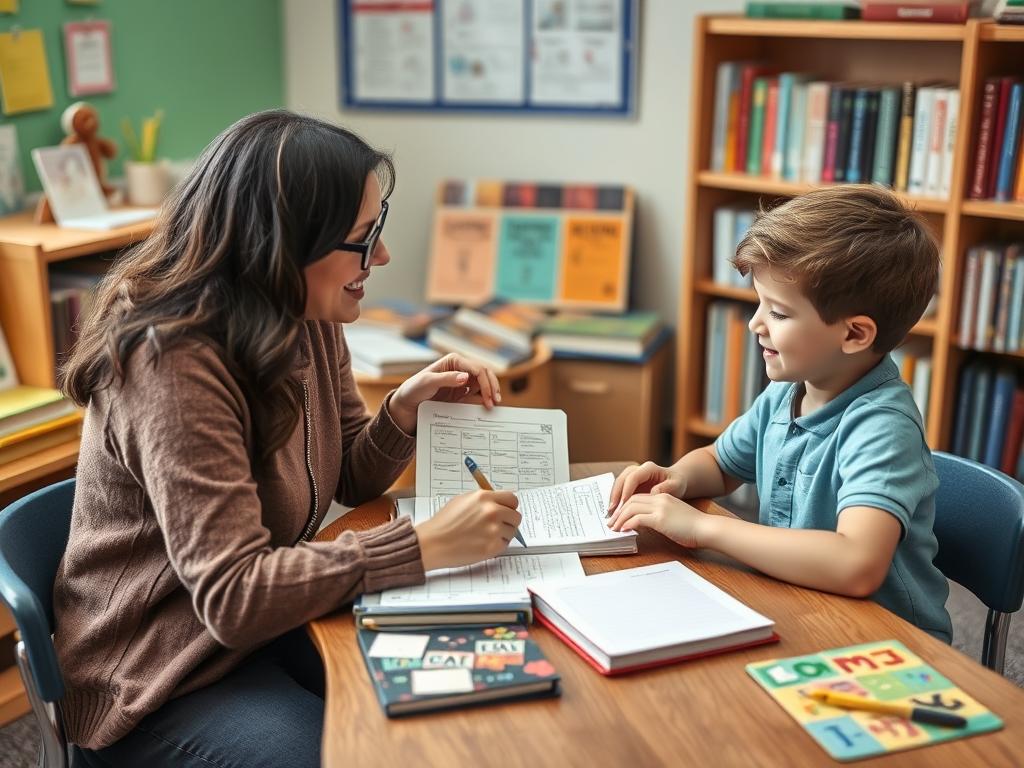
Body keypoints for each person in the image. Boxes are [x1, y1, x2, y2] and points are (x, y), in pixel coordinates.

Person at [55, 110, 522, 766]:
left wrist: (404, 410)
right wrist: (421, 544)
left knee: (464, 693)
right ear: (284, 244)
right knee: (353, 754)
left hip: (266, 626)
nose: (381, 256)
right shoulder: (170, 361)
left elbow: (348, 477)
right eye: (363, 239)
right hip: (161, 675)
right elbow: (233, 595)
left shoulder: (300, 309)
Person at [607, 184, 952, 642]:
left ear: (854, 334)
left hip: (885, 639)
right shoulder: (785, 392)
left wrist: (701, 527)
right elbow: (721, 463)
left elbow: (857, 565)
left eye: (780, 314)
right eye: (759, 304)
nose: (755, 324)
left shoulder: (882, 427)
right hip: (799, 604)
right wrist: (677, 478)